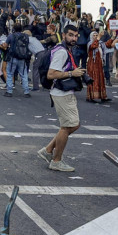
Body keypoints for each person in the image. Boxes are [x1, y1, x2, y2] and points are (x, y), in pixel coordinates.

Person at [38, 25, 84, 172]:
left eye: (76, 36)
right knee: (69, 126)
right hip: (61, 93)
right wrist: (72, 74)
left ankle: (48, 150)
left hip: (63, 92)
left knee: (70, 125)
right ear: (63, 35)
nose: (74, 38)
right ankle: (56, 161)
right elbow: (51, 74)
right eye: (71, 35)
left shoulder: (64, 49)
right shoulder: (62, 52)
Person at [3, 25, 32, 98]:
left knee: (9, 73)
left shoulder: (11, 36)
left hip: (13, 57)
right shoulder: (26, 36)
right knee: (24, 74)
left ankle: (9, 91)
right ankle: (26, 91)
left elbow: (5, 45)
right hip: (22, 58)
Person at [84, 31, 108, 102]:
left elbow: (108, 45)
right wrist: (99, 37)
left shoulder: (100, 43)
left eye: (96, 35)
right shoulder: (90, 43)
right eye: (93, 35)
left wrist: (113, 37)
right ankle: (91, 97)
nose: (95, 36)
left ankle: (102, 96)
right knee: (93, 79)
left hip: (99, 63)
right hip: (92, 63)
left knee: (101, 79)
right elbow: (93, 46)